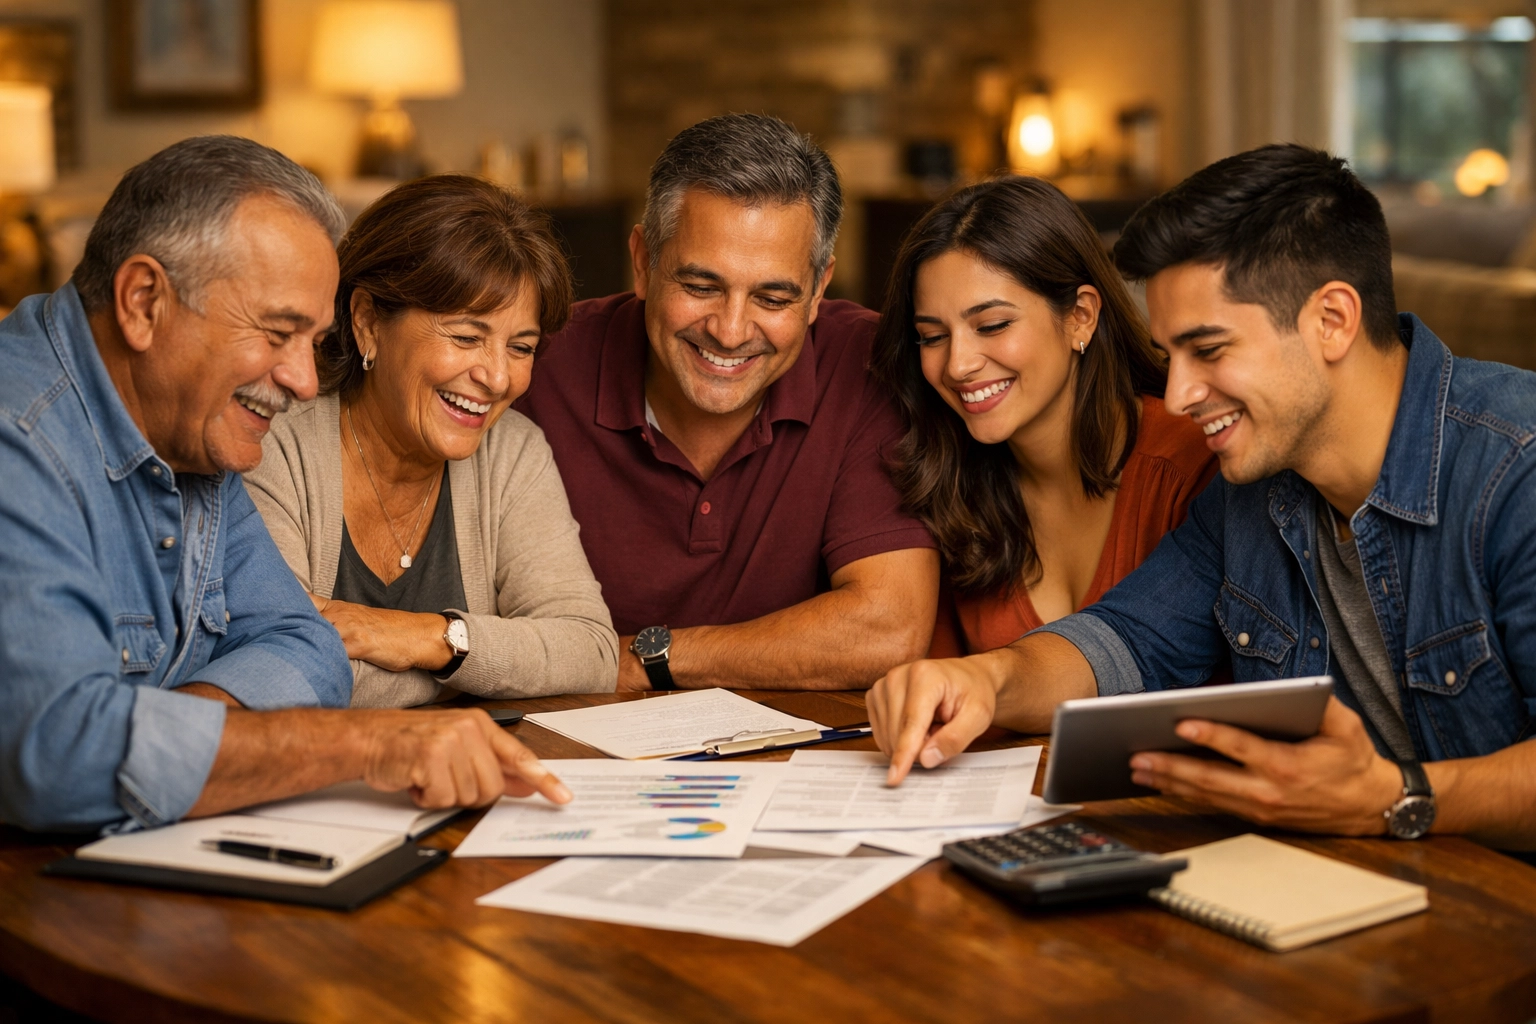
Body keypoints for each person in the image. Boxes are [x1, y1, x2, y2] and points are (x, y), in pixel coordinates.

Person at [869, 144, 1536, 853]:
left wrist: (1397, 798)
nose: (1180, 394)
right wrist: (986, 678)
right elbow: (1127, 640)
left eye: (1208, 350)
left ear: (1332, 320)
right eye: (1171, 353)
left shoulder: (1515, 469)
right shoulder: (1252, 489)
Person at [0, 136, 568, 834]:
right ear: (144, 302)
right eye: (278, 333)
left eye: (313, 340)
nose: (304, 381)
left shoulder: (197, 435)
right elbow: (59, 761)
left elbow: (309, 646)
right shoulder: (18, 438)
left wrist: (166, 737)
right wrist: (368, 743)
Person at [517, 113, 939, 691]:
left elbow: (887, 630)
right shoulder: (535, 367)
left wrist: (642, 659)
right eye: (700, 287)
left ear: (818, 290)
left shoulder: (872, 364)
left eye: (772, 296)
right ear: (643, 261)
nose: (731, 330)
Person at [246, 175, 619, 708]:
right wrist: (489, 669)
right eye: (466, 337)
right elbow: (278, 668)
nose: (496, 378)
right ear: (368, 322)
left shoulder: (511, 452)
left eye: (521, 347)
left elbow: (591, 654)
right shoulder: (276, 445)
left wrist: (427, 638)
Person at [869, 176, 1216, 658]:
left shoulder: (1196, 463)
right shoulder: (944, 481)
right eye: (932, 336)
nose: (957, 364)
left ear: (1080, 316)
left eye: (992, 326)